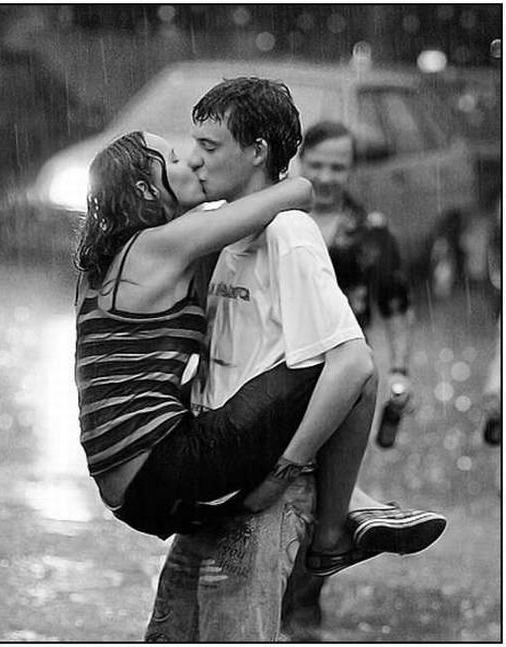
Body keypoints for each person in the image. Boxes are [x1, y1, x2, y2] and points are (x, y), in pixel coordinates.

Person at [145, 78, 446, 642]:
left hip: (263, 489)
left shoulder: (290, 232)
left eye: (209, 146)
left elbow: (354, 365)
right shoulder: (226, 227)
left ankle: (340, 519)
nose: (195, 159)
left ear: (258, 151)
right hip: (218, 478)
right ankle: (349, 514)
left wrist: (283, 471)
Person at [74, 128, 391, 565]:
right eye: (175, 160)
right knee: (348, 364)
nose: (192, 161)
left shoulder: (107, 261)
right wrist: (241, 176)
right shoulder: (160, 245)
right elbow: (298, 191)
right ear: (147, 189)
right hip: (161, 470)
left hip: (127, 489)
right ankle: (333, 534)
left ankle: (348, 494)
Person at [281, 120, 417, 634]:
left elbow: (396, 307)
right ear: (299, 162)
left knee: (328, 492)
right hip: (278, 372)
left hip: (343, 380)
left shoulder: (372, 232)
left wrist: (400, 371)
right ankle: (276, 597)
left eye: (337, 167)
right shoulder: (278, 217)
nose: (326, 176)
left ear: (352, 169)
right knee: (279, 483)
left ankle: (304, 604)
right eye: (316, 164)